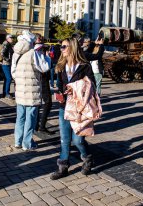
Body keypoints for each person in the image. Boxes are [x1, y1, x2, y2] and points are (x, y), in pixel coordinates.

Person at [50, 37, 95, 180]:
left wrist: (75, 89)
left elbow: (91, 86)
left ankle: (87, 158)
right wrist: (62, 93)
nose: (61, 49)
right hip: (64, 107)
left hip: (79, 109)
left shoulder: (84, 66)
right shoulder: (61, 66)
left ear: (72, 48)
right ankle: (63, 166)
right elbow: (60, 85)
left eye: (64, 47)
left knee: (78, 141)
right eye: (61, 47)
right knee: (64, 139)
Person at [12, 30, 50, 151]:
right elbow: (44, 68)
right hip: (32, 90)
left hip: (20, 90)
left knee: (20, 117)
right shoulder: (34, 53)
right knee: (30, 118)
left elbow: (13, 72)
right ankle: (27, 143)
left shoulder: (15, 53)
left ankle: (18, 141)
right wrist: (47, 58)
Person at [34, 41, 53, 135]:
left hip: (39, 81)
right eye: (44, 49)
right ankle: (41, 126)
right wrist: (47, 57)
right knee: (48, 103)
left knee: (38, 103)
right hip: (43, 80)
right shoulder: (40, 56)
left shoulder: (34, 55)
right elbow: (46, 67)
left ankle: (37, 125)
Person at [1, 35, 14, 100]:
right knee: (9, 78)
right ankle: (6, 93)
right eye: (11, 38)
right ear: (7, 38)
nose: (12, 39)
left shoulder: (9, 44)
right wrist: (7, 59)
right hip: (6, 64)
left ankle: (5, 93)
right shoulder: (6, 44)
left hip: (8, 64)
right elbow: (2, 53)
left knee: (7, 79)